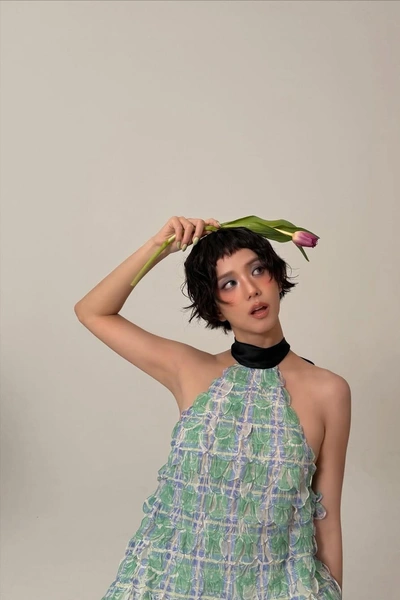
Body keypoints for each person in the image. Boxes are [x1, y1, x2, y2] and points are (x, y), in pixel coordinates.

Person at [74, 216, 351, 600]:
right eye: (229, 283)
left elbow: (327, 516)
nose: (252, 289)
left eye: (257, 270)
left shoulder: (329, 391)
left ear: (276, 277)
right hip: (171, 585)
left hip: (280, 588)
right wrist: (160, 246)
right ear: (215, 307)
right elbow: (92, 311)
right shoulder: (190, 370)